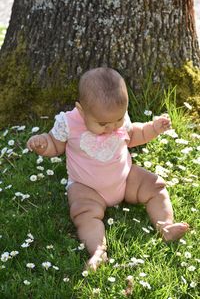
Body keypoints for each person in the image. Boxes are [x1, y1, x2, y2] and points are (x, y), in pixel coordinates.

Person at [27, 67, 189, 270]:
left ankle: (165, 225)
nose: (112, 127)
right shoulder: (69, 123)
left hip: (125, 178)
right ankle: (97, 250)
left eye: (118, 120)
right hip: (87, 187)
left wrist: (153, 128)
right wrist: (44, 144)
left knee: (155, 185)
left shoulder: (117, 118)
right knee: (84, 213)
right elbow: (55, 144)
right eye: (103, 123)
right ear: (81, 110)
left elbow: (134, 135)